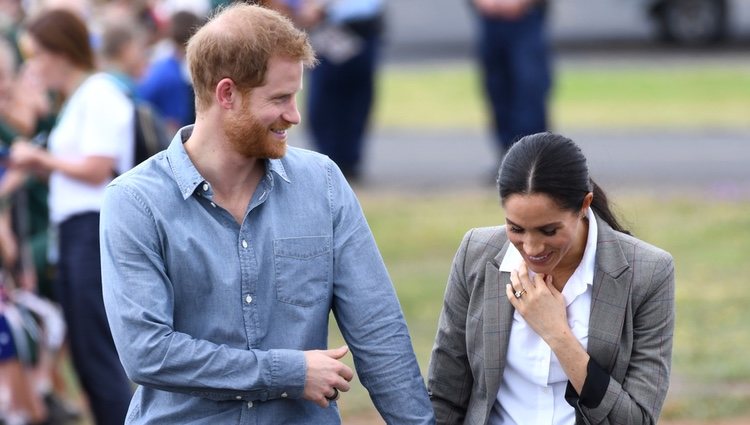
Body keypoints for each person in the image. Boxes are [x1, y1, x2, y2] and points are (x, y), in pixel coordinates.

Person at [99, 4, 434, 424]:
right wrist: (288, 372)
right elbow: (147, 353)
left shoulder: (323, 182)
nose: (294, 116)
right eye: (279, 98)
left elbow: (378, 330)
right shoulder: (135, 201)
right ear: (227, 94)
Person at [428, 132, 675, 424]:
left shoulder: (648, 272)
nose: (531, 248)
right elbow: (445, 393)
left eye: (549, 231)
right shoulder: (476, 254)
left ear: (585, 205)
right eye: (516, 228)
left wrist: (557, 334)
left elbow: (637, 419)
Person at [9, 8, 134, 425]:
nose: (33, 63)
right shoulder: (81, 97)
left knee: (97, 351)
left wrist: (41, 157)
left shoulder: (99, 93)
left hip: (93, 228)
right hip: (77, 230)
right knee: (84, 351)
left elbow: (98, 167)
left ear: (61, 52)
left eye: (37, 52)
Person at [266, 0, 384, 182]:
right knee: (324, 101)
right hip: (327, 29)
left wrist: (322, 6)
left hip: (359, 26)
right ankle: (331, 163)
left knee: (357, 101)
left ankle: (348, 163)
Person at [471, 0, 552, 167]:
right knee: (497, 90)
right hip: (491, 19)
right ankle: (508, 158)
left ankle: (533, 159)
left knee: (528, 88)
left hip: (525, 17)